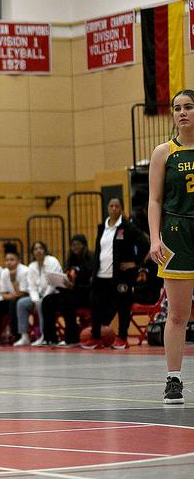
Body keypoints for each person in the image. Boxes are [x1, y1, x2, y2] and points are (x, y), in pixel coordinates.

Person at [148, 89, 194, 404]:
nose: (182, 113)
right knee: (178, 314)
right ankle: (173, 379)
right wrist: (154, 237)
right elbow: (154, 199)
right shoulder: (164, 152)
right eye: (177, 108)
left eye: (189, 107)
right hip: (177, 231)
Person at [83, 198, 147, 350]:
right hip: (101, 274)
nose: (113, 209)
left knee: (123, 305)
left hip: (120, 276)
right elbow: (99, 250)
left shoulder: (128, 227)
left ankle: (122, 338)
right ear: (107, 208)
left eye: (117, 206)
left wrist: (135, 263)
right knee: (95, 305)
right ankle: (96, 337)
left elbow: (144, 243)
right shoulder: (102, 227)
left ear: (121, 209)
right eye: (111, 206)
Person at [40, 234, 94, 346]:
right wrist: (58, 282)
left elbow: (91, 284)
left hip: (85, 295)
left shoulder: (90, 261)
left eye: (77, 244)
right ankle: (50, 338)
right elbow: (67, 278)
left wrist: (74, 287)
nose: (74, 247)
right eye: (72, 245)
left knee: (67, 301)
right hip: (69, 293)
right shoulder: (71, 261)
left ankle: (71, 338)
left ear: (84, 246)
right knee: (47, 300)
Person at [14, 241, 62, 346]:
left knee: (42, 303)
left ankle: (43, 335)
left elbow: (52, 284)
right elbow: (32, 287)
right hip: (38, 296)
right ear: (32, 253)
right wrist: (35, 300)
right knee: (21, 303)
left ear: (45, 250)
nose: (38, 250)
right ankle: (25, 336)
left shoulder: (52, 261)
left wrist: (42, 299)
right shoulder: (32, 266)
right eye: (35, 249)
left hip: (54, 294)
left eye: (40, 248)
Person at [0, 245, 30, 344]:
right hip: (12, 297)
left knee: (14, 304)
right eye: (7, 260)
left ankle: (15, 335)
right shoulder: (4, 272)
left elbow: (22, 293)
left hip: (24, 298)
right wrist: (12, 297)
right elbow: (3, 293)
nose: (9, 262)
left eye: (12, 260)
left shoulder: (25, 271)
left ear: (18, 261)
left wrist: (13, 280)